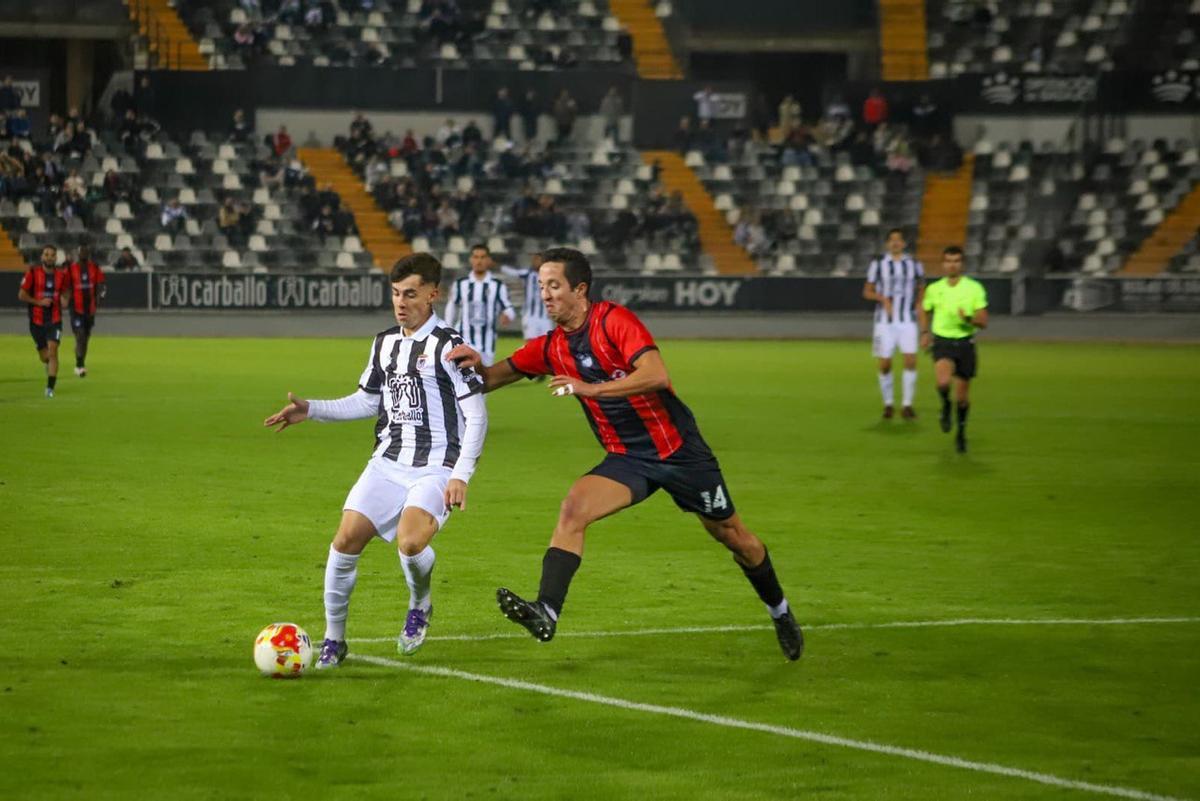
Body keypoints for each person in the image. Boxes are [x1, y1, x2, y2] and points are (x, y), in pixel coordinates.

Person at [446, 248, 804, 661]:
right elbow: (490, 378)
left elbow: (656, 375)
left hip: (680, 452)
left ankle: (779, 612)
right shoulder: (549, 347)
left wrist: (589, 388)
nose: (545, 295)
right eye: (542, 286)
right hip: (628, 459)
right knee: (573, 509)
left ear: (580, 290)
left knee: (733, 537)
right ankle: (546, 610)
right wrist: (474, 364)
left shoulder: (614, 321)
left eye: (554, 286)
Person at [263, 253, 488, 665]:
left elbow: (476, 415)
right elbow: (367, 401)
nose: (401, 303)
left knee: (410, 541)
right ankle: (334, 639)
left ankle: (420, 606)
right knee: (345, 541)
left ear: (433, 294)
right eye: (396, 294)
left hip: (436, 465)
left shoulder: (450, 346)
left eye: (411, 294)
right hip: (387, 462)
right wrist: (311, 409)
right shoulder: (384, 342)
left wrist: (462, 475)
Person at [919, 246, 988, 453]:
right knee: (942, 382)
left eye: (956, 261)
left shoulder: (974, 288)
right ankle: (945, 406)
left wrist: (968, 318)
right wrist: (924, 332)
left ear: (962, 263)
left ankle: (961, 433)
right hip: (942, 343)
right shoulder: (935, 289)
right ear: (943, 264)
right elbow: (924, 309)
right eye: (948, 260)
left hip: (965, 343)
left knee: (963, 397)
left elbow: (983, 321)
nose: (952, 264)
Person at [863, 229, 924, 419]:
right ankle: (888, 403)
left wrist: (919, 304)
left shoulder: (914, 264)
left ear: (904, 243)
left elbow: (922, 288)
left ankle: (907, 405)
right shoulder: (879, 265)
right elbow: (867, 291)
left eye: (899, 240)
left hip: (907, 319)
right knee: (885, 364)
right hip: (884, 322)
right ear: (887, 244)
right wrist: (883, 299)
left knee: (910, 360)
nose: (895, 243)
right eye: (892, 240)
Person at [443, 244, 515, 366]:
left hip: (487, 341)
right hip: (463, 339)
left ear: (489, 260)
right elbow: (452, 307)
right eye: (476, 257)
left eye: (483, 257)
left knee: (485, 381)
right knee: (463, 378)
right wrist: (447, 330)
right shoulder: (461, 284)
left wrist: (508, 315)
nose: (479, 261)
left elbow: (508, 307)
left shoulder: (497, 285)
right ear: (471, 259)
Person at [18, 245, 66, 398]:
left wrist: (65, 299)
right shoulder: (32, 273)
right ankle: (47, 363)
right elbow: (21, 295)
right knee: (44, 356)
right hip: (36, 321)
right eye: (46, 254)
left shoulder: (61, 276)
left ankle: (50, 388)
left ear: (56, 258)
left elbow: (67, 291)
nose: (49, 257)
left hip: (55, 319)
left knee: (53, 351)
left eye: (52, 255)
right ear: (42, 257)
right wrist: (38, 302)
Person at [63, 244, 106, 377]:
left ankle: (80, 360)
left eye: (86, 252)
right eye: (81, 252)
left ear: (88, 254)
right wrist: (65, 299)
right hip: (76, 309)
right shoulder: (70, 270)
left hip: (90, 309)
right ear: (78, 253)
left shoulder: (95, 268)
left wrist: (99, 298)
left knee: (85, 338)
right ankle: (79, 365)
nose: (83, 254)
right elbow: (64, 287)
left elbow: (101, 285)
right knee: (81, 334)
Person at [500, 251, 553, 344]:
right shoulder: (527, 274)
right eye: (534, 259)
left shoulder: (551, 277)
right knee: (531, 344)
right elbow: (513, 273)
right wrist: (500, 267)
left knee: (547, 346)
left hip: (545, 317)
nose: (535, 261)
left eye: (537, 259)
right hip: (530, 317)